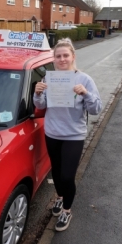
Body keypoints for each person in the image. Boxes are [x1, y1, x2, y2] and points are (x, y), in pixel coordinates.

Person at [33, 38, 102, 232]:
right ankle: (60, 197)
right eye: (58, 56)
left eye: (65, 55)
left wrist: (86, 94)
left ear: (73, 56)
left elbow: (96, 109)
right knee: (56, 171)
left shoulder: (84, 79)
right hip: (52, 133)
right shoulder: (49, 78)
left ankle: (67, 210)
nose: (62, 59)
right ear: (53, 58)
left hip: (73, 135)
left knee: (67, 175)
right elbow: (40, 106)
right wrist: (37, 93)